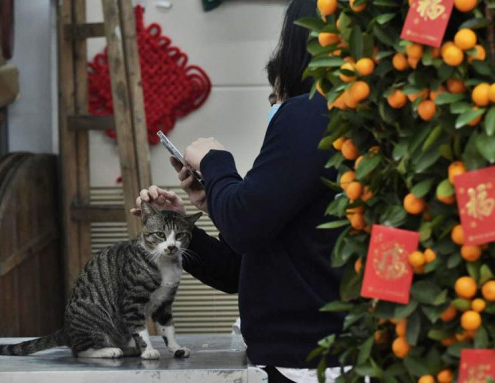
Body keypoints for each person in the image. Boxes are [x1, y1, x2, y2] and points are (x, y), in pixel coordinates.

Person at [132, 0, 346, 381]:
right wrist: (183, 227)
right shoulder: (338, 118)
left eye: (275, 98)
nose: (275, 108)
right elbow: (238, 267)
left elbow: (245, 223)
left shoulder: (311, 114)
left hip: (313, 364)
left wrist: (216, 164)